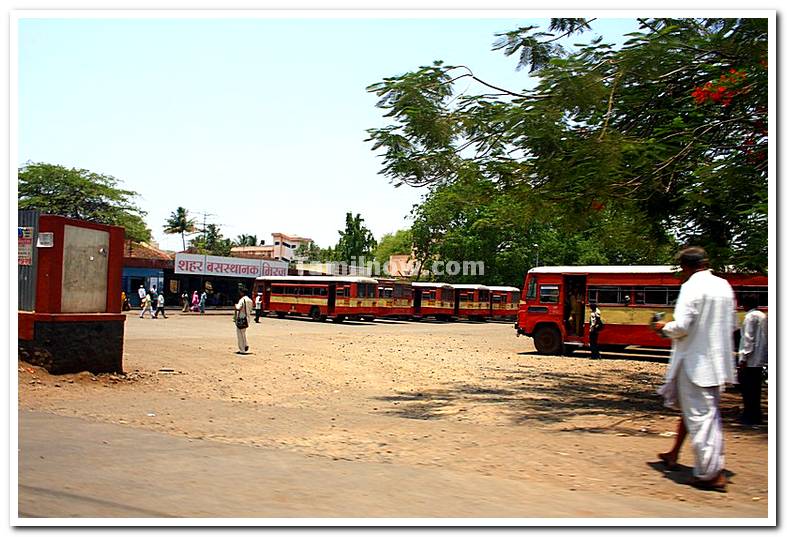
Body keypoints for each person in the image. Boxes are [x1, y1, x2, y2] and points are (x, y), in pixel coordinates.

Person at [652, 246, 736, 492]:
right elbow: (731, 325)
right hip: (717, 365)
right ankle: (705, 465)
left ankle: (710, 474)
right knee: (709, 418)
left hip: (694, 363)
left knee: (700, 418)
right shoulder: (724, 286)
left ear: (686, 267)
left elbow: (683, 326)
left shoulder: (691, 287)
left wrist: (662, 327)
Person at [737, 293, 767, 426]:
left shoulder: (750, 317)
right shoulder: (763, 316)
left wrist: (743, 358)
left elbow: (748, 338)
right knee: (756, 389)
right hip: (760, 358)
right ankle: (756, 415)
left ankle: (749, 415)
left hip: (750, 359)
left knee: (747, 389)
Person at [234, 287, 254, 354]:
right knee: (243, 333)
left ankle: (242, 349)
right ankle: (245, 344)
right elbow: (251, 309)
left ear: (242, 293)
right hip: (247, 318)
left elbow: (238, 308)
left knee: (240, 334)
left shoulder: (242, 300)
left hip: (241, 318)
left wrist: (235, 306)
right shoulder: (250, 300)